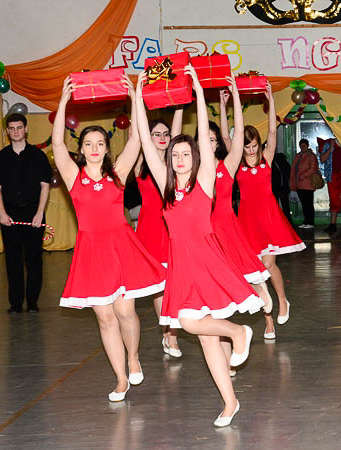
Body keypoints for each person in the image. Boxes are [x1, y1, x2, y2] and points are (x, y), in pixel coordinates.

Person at [135, 67, 261, 426]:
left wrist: (200, 92)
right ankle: (230, 401)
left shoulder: (205, 182)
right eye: (175, 155)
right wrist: (139, 96)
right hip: (181, 265)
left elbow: (205, 139)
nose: (179, 159)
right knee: (204, 335)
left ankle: (238, 333)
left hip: (208, 261)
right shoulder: (165, 185)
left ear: (196, 157)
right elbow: (145, 139)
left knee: (192, 325)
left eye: (185, 154)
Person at [54, 74, 166, 401]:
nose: (94, 149)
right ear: (81, 149)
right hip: (91, 252)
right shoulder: (73, 177)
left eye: (99, 144)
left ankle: (133, 357)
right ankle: (119, 378)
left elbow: (136, 140)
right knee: (104, 318)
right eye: (88, 144)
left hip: (121, 248)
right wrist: (63, 102)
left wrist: (134, 99)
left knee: (125, 312)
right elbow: (57, 144)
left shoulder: (117, 174)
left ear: (106, 148)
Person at [210, 81, 274, 376]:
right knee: (217, 295)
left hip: (227, 225)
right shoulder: (194, 169)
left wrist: (231, 99)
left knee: (242, 270)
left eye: (214, 140)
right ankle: (226, 359)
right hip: (205, 233)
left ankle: (260, 287)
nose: (212, 143)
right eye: (206, 139)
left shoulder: (228, 165)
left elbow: (231, 137)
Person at [236, 83, 306, 339]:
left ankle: (283, 301)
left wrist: (271, 100)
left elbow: (273, 130)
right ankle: (268, 322)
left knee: (268, 265)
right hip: (247, 221)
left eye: (254, 144)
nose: (251, 150)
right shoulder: (236, 164)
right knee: (256, 274)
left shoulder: (266, 157)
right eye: (247, 146)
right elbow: (227, 137)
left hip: (268, 218)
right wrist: (226, 103)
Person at [0, 113, 52, 313]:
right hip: (9, 214)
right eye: (12, 128)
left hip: (34, 213)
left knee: (34, 259)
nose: (16, 131)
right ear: (7, 131)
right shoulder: (0, 158)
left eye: (19, 127)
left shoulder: (38, 156)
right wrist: (2, 213)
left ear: (26, 129)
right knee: (13, 260)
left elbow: (45, 186)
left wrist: (40, 213)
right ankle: (15, 304)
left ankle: (32, 302)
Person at [134, 108, 184, 358]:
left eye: (166, 134)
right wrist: (137, 102)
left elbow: (177, 132)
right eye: (157, 134)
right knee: (160, 287)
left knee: (175, 283)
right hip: (150, 230)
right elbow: (137, 135)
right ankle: (169, 334)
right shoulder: (140, 162)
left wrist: (180, 105)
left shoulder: (175, 162)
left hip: (174, 227)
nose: (163, 138)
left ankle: (170, 331)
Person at [290, 138, 319, 228]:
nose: (302, 147)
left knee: (308, 204)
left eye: (304, 146)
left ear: (307, 146)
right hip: (299, 184)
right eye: (301, 146)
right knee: (304, 204)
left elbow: (313, 169)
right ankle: (306, 221)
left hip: (308, 184)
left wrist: (302, 175)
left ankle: (310, 222)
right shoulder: (298, 156)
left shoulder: (311, 156)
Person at [271, 150, 293, 221]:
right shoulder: (280, 159)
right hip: (280, 187)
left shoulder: (274, 160)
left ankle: (285, 222)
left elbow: (288, 171)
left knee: (281, 206)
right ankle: (287, 222)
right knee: (283, 206)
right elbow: (289, 171)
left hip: (279, 187)